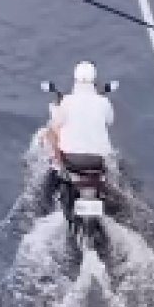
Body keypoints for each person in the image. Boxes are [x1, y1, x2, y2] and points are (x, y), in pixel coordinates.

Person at [45, 62, 114, 219]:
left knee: (50, 133)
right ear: (94, 81)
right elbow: (110, 121)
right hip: (97, 162)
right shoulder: (103, 102)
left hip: (72, 161)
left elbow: (55, 125)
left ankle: (57, 165)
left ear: (75, 80)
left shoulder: (67, 102)